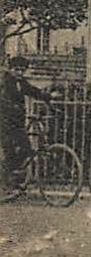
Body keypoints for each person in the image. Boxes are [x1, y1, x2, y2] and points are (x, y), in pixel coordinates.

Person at [2, 55, 55, 189]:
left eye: (22, 70)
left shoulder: (21, 83)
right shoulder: (4, 82)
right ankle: (8, 178)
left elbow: (33, 91)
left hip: (16, 123)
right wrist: (12, 107)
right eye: (17, 70)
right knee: (10, 150)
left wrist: (48, 97)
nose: (20, 73)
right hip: (3, 122)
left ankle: (13, 175)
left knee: (26, 150)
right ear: (10, 69)